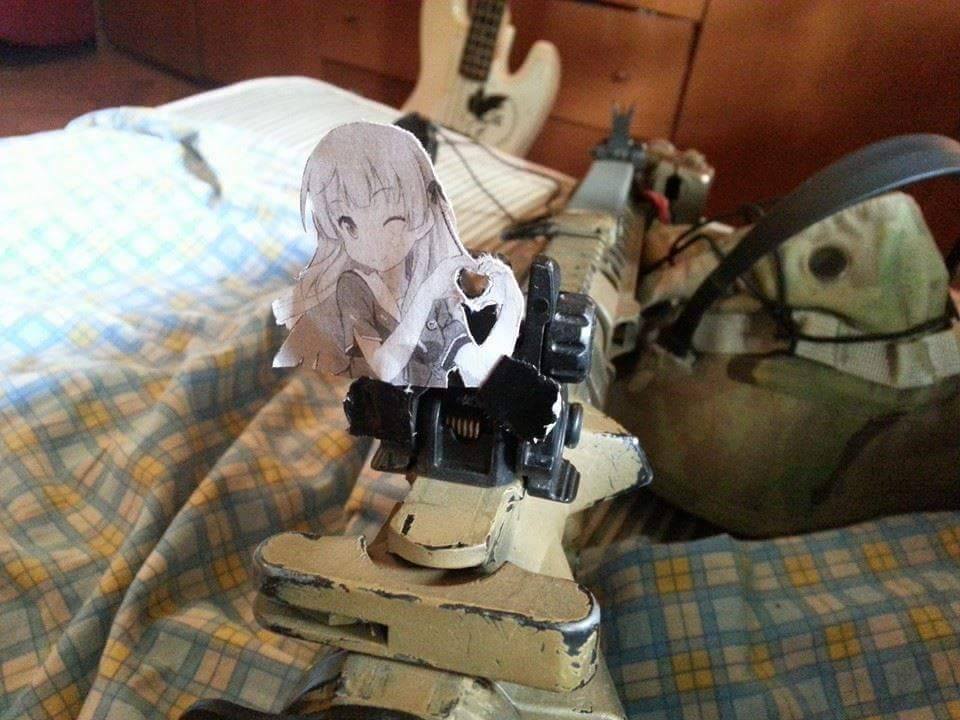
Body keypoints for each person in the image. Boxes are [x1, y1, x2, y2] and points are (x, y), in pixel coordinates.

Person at [272, 122, 521, 388]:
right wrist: (427, 293)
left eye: (393, 222)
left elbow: (480, 373)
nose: (362, 237)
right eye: (346, 223)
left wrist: (511, 300)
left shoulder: (431, 280)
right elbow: (386, 368)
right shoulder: (354, 287)